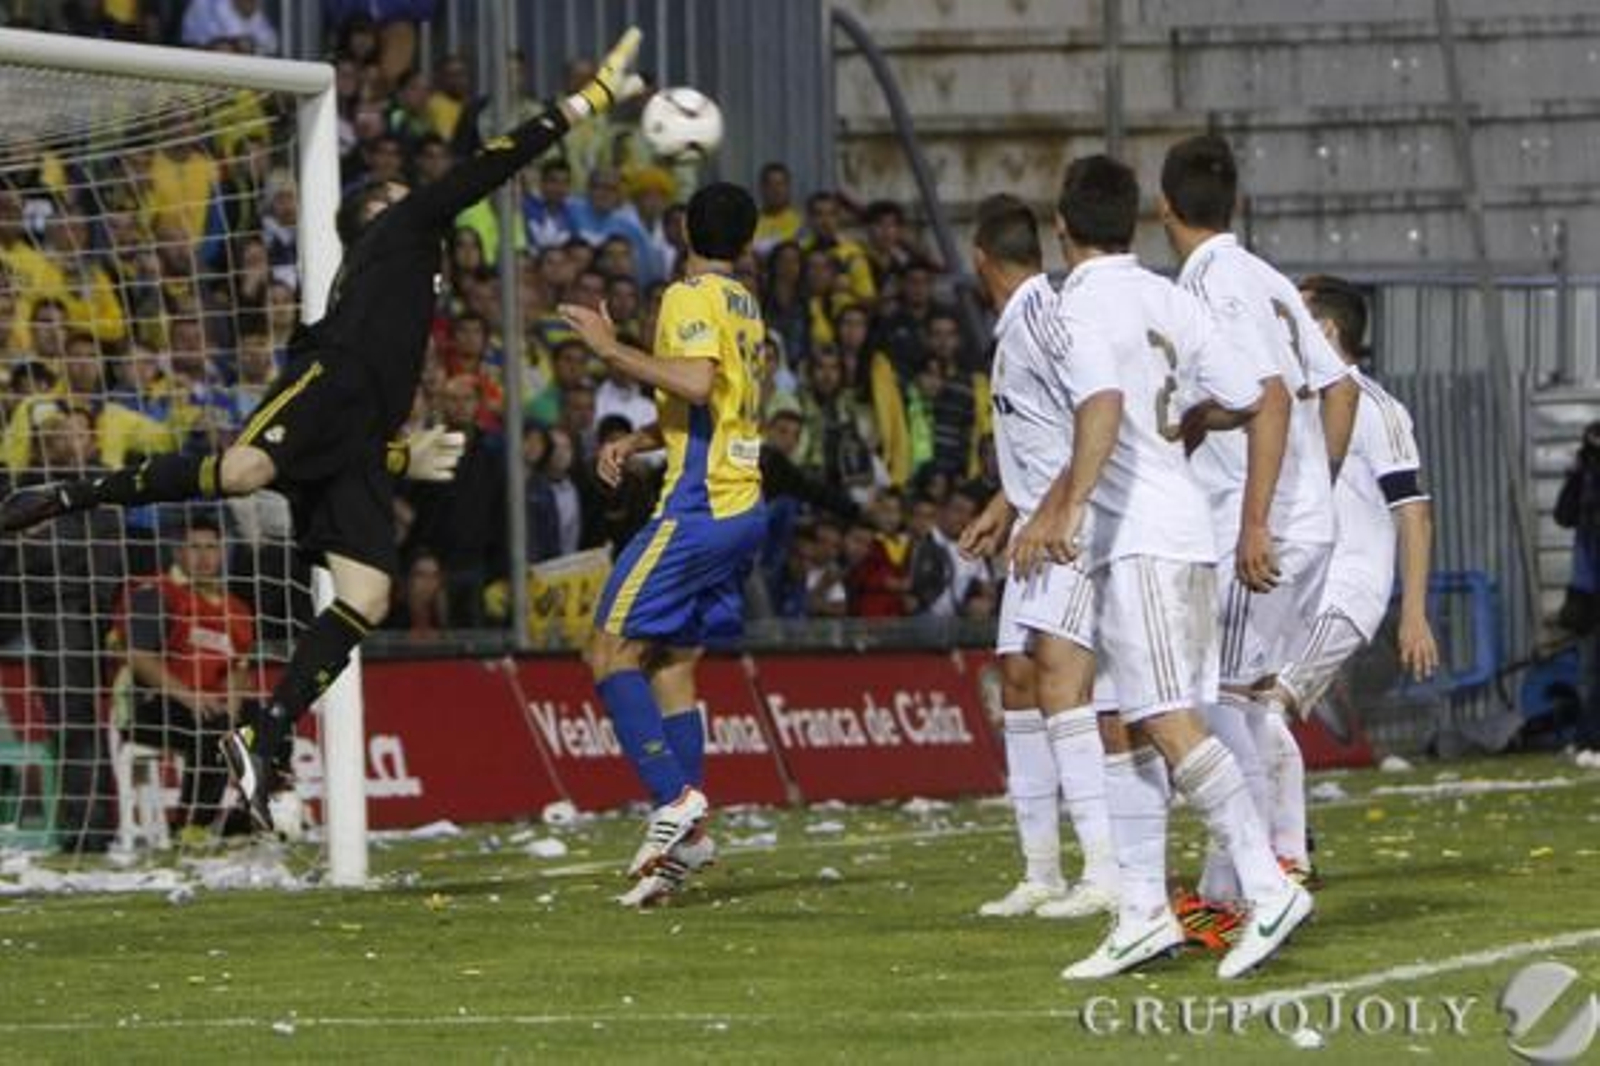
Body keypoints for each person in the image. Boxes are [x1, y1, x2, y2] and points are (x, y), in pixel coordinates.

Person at [0, 28, 650, 830]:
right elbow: (491, 162)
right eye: (392, 191)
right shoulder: (401, 229)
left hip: (359, 428)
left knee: (368, 595)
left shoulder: (400, 262)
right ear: (375, 215)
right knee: (242, 473)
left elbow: (345, 437)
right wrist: (587, 101)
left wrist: (399, 454)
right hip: (329, 384)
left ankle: (263, 733)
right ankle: (71, 493)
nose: (409, 193)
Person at [999, 156, 1312, 979]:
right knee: (1129, 725)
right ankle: (1142, 912)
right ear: (1136, 219)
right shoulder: (1170, 296)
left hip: (1140, 539)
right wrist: (1178, 427)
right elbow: (1249, 394)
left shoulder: (1078, 305)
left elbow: (1100, 404)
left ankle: (1266, 885)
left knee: (1167, 720)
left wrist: (1066, 504)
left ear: (1061, 227)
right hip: (1173, 530)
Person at [1160, 133, 1358, 916]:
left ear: (1163, 206)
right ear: (1235, 201)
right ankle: (1239, 879)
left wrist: (1258, 521)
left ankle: (1257, 881)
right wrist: (1318, 491)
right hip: (1298, 521)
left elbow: (1269, 397)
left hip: (1261, 530)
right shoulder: (1266, 275)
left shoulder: (1213, 284)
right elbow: (1340, 387)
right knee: (1240, 701)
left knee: (1221, 700)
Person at [559, 181, 765, 909]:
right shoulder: (746, 302)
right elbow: (718, 405)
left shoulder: (689, 295)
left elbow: (696, 384)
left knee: (608, 650)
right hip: (743, 505)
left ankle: (674, 800)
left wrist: (608, 347)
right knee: (672, 661)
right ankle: (690, 840)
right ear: (747, 241)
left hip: (699, 507)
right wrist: (642, 440)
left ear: (683, 232)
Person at [956, 196, 1116, 922]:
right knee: (1017, 680)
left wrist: (1052, 508)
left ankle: (1105, 871)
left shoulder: (1044, 318)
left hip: (1072, 525)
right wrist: (1005, 504)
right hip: (1034, 523)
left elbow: (1098, 414)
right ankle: (1041, 872)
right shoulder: (1017, 324)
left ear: (979, 257)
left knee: (1060, 682)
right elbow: (1047, 432)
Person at [1251, 276, 1439, 855]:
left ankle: (1286, 856)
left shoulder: (1376, 408)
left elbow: (1414, 513)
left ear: (1326, 330)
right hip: (1296, 588)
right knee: (1239, 709)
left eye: (1296, 315)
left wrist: (1414, 614)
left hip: (1347, 590)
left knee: (1265, 711)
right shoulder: (1293, 401)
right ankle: (1272, 847)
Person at [119, 516, 259, 833]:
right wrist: (191, 698)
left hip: (209, 708)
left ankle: (248, 819)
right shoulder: (157, 593)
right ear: (178, 552)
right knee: (214, 726)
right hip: (152, 706)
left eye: (211, 547)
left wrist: (233, 712)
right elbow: (138, 657)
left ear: (222, 552)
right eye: (194, 547)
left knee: (265, 722)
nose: (204, 556)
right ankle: (191, 827)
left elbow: (238, 670)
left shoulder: (237, 608)